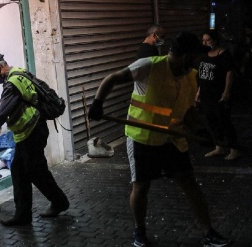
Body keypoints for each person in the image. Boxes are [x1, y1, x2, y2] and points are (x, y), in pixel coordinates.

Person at [88, 32, 230, 247]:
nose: (198, 63)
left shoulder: (190, 76)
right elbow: (113, 78)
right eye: (195, 58)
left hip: (172, 139)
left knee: (190, 183)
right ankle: (139, 231)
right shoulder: (148, 66)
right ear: (185, 56)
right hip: (142, 139)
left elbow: (188, 112)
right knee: (141, 187)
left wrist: (200, 131)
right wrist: (98, 103)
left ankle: (208, 232)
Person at [0, 53, 69, 226]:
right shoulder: (18, 73)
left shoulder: (13, 83)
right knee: (20, 171)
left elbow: (1, 110)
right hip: (30, 131)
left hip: (32, 131)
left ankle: (58, 202)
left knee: (35, 171)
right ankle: (23, 214)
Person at [197, 29, 240, 160]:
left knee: (224, 121)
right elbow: (202, 74)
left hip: (218, 94)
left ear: (215, 40)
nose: (205, 43)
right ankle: (219, 147)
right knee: (211, 121)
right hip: (206, 94)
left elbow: (229, 73)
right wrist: (198, 92)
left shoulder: (223, 54)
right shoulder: (204, 54)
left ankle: (234, 149)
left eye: (208, 40)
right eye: (203, 40)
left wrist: (226, 92)